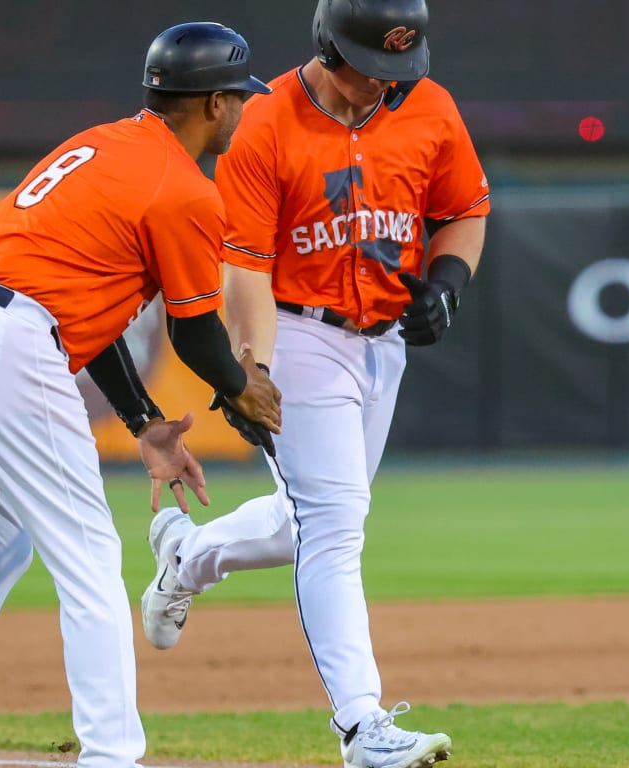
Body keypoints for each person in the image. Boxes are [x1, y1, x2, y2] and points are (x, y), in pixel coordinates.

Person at [0, 22, 280, 768]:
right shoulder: (184, 188)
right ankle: (113, 757)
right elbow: (195, 333)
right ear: (214, 103)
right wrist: (243, 389)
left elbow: (89, 310)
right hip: (3, 345)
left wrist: (146, 421)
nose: (243, 111)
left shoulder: (105, 144)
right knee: (88, 560)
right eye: (239, 98)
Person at [139, 2, 489, 767]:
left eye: (401, 64)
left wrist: (450, 282)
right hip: (298, 332)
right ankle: (363, 727)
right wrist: (249, 371)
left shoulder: (427, 105)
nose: (388, 83)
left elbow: (464, 210)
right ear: (328, 46)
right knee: (334, 524)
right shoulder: (264, 123)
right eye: (374, 67)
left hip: (383, 342)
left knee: (311, 522)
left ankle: (188, 559)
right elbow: (248, 270)